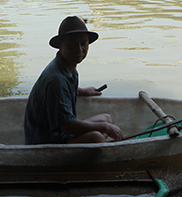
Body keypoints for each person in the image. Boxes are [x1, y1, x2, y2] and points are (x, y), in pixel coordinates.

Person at [24, 16, 123, 145]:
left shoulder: (67, 66)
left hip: (60, 131)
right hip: (46, 139)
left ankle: (97, 147)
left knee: (106, 119)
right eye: (72, 44)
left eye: (83, 44)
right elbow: (67, 126)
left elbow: (62, 92)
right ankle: (98, 147)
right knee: (97, 137)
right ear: (60, 45)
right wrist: (105, 128)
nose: (79, 50)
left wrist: (83, 91)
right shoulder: (56, 80)